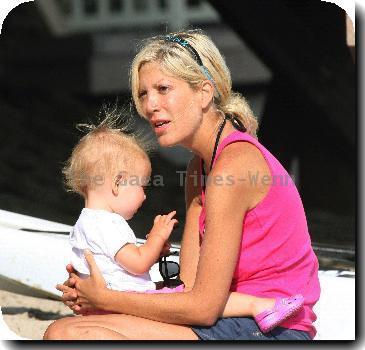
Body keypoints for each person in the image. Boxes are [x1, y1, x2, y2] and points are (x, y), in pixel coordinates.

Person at [44, 29, 320, 340]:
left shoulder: (234, 166)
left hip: (273, 328)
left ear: (204, 93)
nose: (150, 106)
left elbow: (202, 308)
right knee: (62, 330)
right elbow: (188, 287)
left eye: (163, 89)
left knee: (73, 337)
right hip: (228, 318)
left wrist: (106, 299)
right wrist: (99, 287)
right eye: (144, 94)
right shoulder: (199, 168)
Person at [62, 114, 183, 297]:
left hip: (103, 299)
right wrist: (156, 237)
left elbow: (118, 265)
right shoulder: (107, 224)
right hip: (119, 302)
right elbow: (138, 264)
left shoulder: (85, 223)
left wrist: (153, 251)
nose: (144, 196)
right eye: (141, 186)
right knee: (182, 291)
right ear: (118, 183)